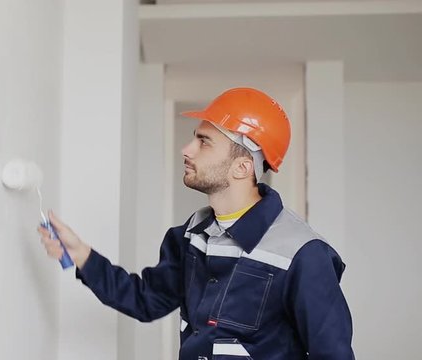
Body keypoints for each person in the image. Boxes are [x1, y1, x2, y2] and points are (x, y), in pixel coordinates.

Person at [38, 87, 355, 360]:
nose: (187, 150)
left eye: (204, 142)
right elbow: (146, 300)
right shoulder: (192, 235)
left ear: (242, 167)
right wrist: (82, 256)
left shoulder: (303, 254)